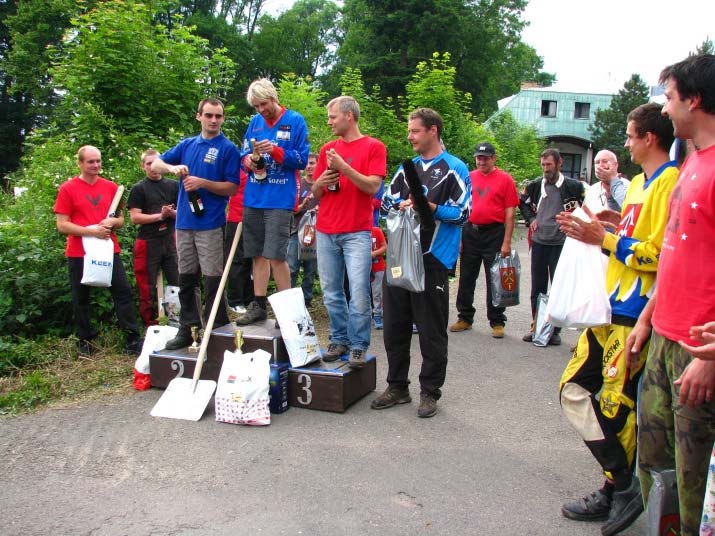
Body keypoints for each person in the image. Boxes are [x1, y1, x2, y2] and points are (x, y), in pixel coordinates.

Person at [556, 103, 678, 535]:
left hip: (635, 313)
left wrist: (605, 238)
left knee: (615, 407)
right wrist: (610, 226)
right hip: (610, 308)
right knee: (571, 389)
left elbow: (665, 256)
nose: (624, 143)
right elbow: (638, 239)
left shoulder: (669, 181)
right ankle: (624, 481)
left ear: (649, 138)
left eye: (629, 135)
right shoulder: (642, 183)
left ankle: (619, 488)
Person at [626, 54, 715, 536]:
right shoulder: (691, 163)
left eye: (670, 94)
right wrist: (647, 317)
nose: (664, 105)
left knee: (693, 483)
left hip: (698, 352)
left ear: (694, 99)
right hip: (661, 337)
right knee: (654, 466)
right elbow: (674, 255)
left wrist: (712, 357)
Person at [371, 107, 471, 418]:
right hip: (400, 258)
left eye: (415, 131)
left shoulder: (455, 168)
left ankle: (429, 392)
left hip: (432, 260)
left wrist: (431, 206)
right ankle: (397, 386)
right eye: (409, 130)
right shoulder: (408, 168)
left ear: (433, 131)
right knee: (395, 327)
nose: (409, 136)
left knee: (431, 331)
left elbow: (464, 213)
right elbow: (385, 200)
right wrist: (400, 203)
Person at [151, 98, 240, 350]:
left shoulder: (228, 148)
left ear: (223, 119)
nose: (214, 120)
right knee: (186, 278)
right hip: (183, 223)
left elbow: (232, 187)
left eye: (218, 116)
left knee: (213, 279)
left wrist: (203, 183)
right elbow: (156, 163)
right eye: (209, 115)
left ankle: (217, 327)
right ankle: (188, 328)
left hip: (211, 223)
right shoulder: (187, 144)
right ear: (198, 116)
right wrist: (172, 167)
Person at [311, 95, 387, 368]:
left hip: (357, 230)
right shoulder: (327, 149)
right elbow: (316, 193)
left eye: (333, 116)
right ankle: (339, 339)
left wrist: (344, 167)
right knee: (331, 291)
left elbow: (372, 187)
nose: (329, 121)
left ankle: (358, 345)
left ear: (349, 116)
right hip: (326, 229)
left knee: (358, 291)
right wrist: (319, 181)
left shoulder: (373, 147)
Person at [54, 145, 142, 356]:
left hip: (108, 250)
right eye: (90, 162)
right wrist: (90, 231)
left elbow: (120, 220)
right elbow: (62, 225)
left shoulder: (111, 187)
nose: (95, 165)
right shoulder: (68, 188)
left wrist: (112, 221)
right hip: (79, 252)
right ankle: (86, 342)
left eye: (98, 161)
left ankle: (132, 338)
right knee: (81, 298)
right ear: (80, 163)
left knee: (122, 292)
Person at [236, 78, 310, 325]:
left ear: (274, 97)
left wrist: (276, 151)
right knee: (257, 254)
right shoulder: (255, 123)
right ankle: (258, 305)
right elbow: (244, 153)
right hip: (254, 197)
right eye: (256, 106)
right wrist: (249, 161)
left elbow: (301, 159)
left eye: (264, 104)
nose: (261, 110)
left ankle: (286, 309)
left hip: (280, 199)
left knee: (277, 255)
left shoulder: (295, 120)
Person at [449, 142, 519, 338]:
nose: (482, 161)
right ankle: (465, 317)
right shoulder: (468, 177)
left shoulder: (505, 179)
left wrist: (506, 242)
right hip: (470, 231)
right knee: (466, 277)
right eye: (479, 158)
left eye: (486, 158)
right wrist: (459, 237)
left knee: (495, 278)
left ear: (493, 158)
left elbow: (510, 213)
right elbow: (460, 208)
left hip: (494, 233)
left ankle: (497, 321)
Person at [519, 148, 585, 345]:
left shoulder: (573, 186)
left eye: (548, 165)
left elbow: (586, 207)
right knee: (537, 288)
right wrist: (531, 219)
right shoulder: (535, 186)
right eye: (543, 165)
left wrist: (575, 225)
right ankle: (537, 326)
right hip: (540, 242)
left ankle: (554, 330)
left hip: (561, 244)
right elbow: (522, 203)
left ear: (559, 163)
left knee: (558, 288)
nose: (545, 169)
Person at [127, 149, 179, 327]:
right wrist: (160, 216)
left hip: (170, 239)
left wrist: (172, 214)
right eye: (148, 163)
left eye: (156, 162)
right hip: (148, 241)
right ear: (143, 166)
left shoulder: (173, 186)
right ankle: (151, 325)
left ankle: (177, 322)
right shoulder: (139, 189)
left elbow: (186, 212)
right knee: (146, 286)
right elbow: (135, 217)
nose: (153, 167)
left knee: (177, 281)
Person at [287, 152, 319, 308]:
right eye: (307, 163)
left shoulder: (322, 184)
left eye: (312, 163)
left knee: (310, 269)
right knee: (291, 267)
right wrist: (302, 206)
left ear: (318, 164)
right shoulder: (298, 184)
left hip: (316, 234)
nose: (308, 166)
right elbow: (289, 210)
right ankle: (289, 298)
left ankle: (307, 300)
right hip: (296, 231)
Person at [225, 168, 253, 314]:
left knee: (251, 260)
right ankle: (234, 299)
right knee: (237, 260)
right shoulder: (236, 168)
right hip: (236, 219)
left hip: (254, 218)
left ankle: (249, 299)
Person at [370, 224, 387, 330]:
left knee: (378, 293)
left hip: (377, 266)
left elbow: (385, 246)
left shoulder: (376, 231)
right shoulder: (355, 232)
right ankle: (366, 317)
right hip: (361, 267)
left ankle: (378, 316)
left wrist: (374, 253)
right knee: (362, 293)